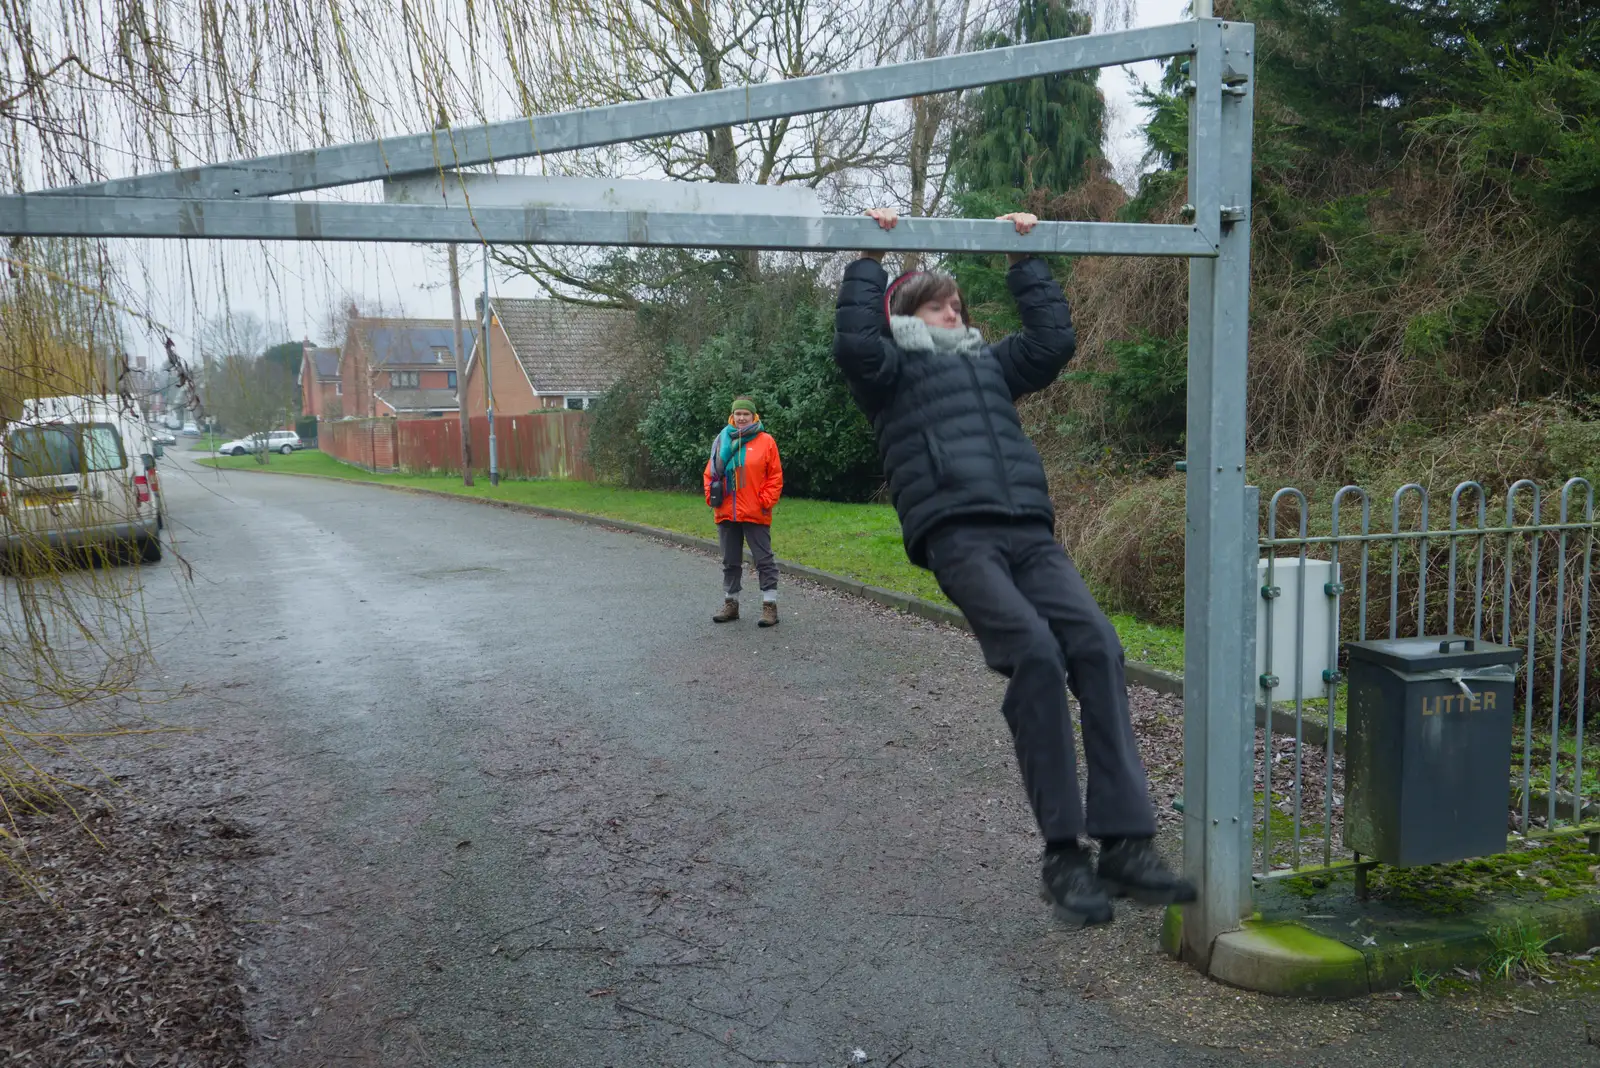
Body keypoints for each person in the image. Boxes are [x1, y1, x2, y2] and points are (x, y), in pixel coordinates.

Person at [831, 208, 1195, 928]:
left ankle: (1126, 843)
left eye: (959, 304)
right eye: (938, 303)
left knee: (1096, 644)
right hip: (957, 534)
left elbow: (1054, 341)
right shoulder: (889, 368)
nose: (953, 311)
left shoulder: (990, 364)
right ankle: (1064, 857)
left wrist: (1023, 260)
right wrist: (868, 257)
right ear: (906, 312)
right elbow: (853, 343)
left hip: (1029, 531)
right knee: (1033, 655)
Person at [704, 396, 784, 628]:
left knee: (764, 560)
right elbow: (710, 472)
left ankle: (770, 606)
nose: (741, 418)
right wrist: (712, 496)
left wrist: (765, 501)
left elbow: (775, 476)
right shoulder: (721, 439)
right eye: (737, 414)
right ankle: (731, 604)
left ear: (753, 416)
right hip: (726, 510)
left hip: (755, 510)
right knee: (730, 561)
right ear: (732, 416)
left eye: (745, 414)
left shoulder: (766, 441)